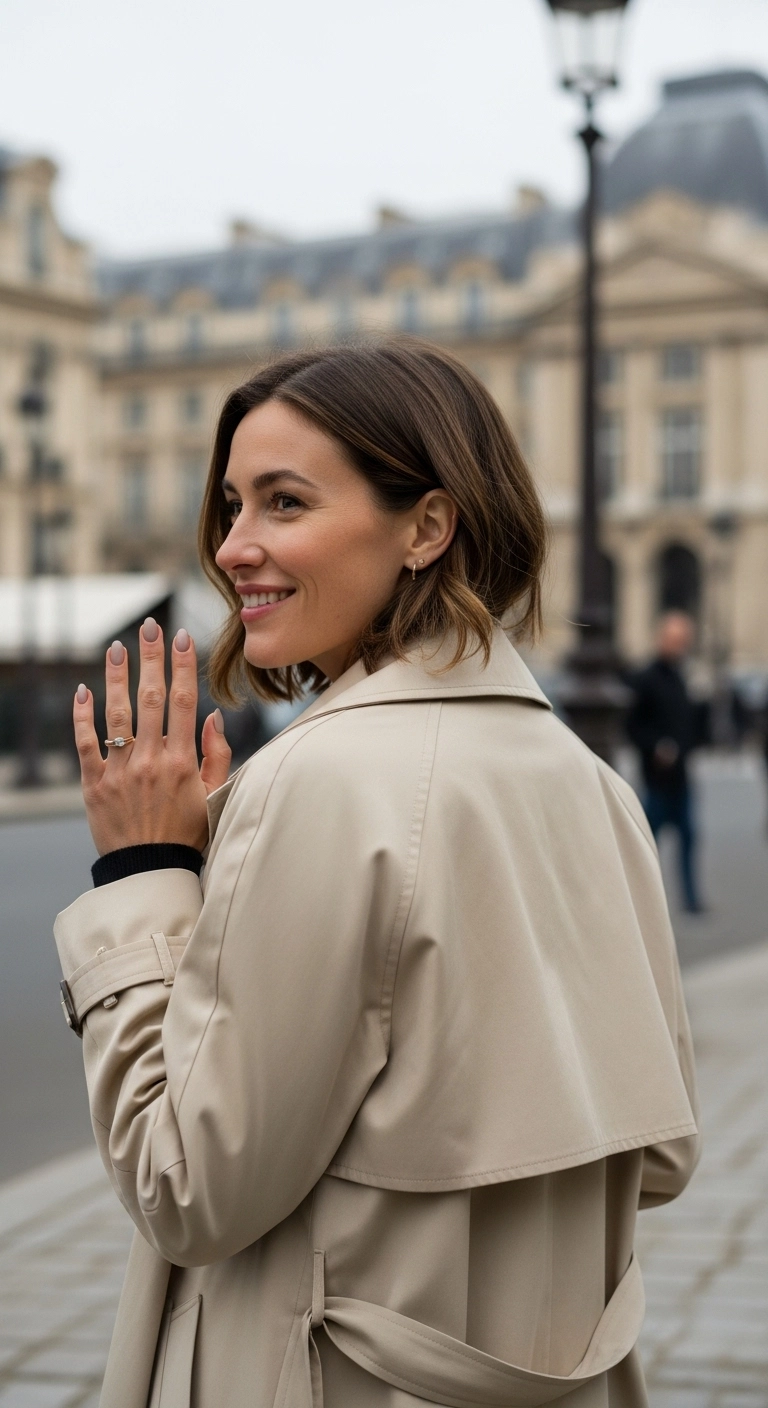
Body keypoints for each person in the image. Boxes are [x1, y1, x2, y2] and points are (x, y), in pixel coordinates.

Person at [55, 341, 699, 1408]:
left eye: (284, 503)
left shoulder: (321, 780)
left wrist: (145, 868)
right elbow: (658, 1154)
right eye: (231, 506)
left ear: (427, 526)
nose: (233, 548)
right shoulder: (590, 784)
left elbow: (188, 1190)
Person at [626, 612, 705, 914]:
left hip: (681, 777)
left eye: (684, 640)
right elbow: (634, 725)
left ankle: (691, 899)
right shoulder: (646, 678)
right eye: (676, 640)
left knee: (688, 839)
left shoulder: (683, 676)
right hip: (656, 777)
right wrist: (657, 746)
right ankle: (645, 900)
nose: (680, 646)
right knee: (648, 844)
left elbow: (690, 725)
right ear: (662, 639)